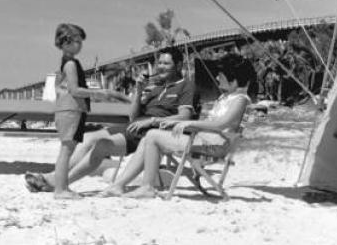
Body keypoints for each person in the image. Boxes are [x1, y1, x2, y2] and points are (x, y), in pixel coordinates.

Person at [24, 46, 195, 194]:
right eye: (160, 63)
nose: (161, 67)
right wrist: (138, 91)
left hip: (155, 133)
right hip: (135, 128)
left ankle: (56, 181)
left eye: (166, 64)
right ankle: (58, 180)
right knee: (90, 139)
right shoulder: (156, 87)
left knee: (100, 145)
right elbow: (133, 117)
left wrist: (152, 121)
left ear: (179, 65)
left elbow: (184, 117)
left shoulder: (186, 86)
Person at [104, 54, 251, 198]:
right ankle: (120, 185)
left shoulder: (240, 100)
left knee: (153, 135)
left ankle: (147, 187)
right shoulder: (224, 98)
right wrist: (179, 122)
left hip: (214, 146)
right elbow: (212, 123)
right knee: (148, 138)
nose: (217, 78)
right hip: (202, 140)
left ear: (234, 80)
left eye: (221, 75)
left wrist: (188, 122)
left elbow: (221, 124)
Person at [47, 23, 129, 199]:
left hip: (71, 109)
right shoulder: (70, 64)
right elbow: (75, 90)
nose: (79, 45)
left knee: (67, 149)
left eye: (80, 41)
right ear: (65, 42)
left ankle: (62, 187)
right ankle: (60, 189)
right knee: (66, 150)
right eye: (75, 41)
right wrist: (100, 92)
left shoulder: (68, 62)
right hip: (71, 109)